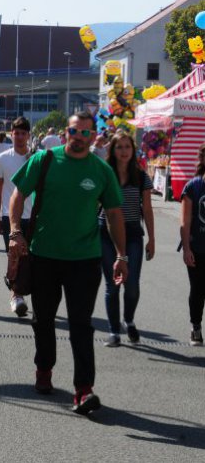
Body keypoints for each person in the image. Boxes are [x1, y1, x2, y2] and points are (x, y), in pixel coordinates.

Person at [9, 112, 127, 415]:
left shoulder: (101, 171)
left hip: (84, 260)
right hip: (44, 255)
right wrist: (15, 232)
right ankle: (44, 369)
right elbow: (18, 194)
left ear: (93, 137)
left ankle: (83, 389)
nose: (80, 137)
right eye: (75, 131)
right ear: (66, 132)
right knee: (43, 320)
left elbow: (114, 214)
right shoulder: (45, 160)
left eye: (86, 134)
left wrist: (121, 256)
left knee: (81, 325)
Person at [101, 133, 155, 347]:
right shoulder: (105, 175)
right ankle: (114, 331)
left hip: (133, 233)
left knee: (131, 284)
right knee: (112, 285)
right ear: (112, 151)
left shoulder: (141, 177)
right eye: (119, 147)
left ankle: (129, 320)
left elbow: (148, 210)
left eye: (127, 147)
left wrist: (152, 239)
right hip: (106, 233)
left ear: (133, 151)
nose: (123, 151)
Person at [0, 117, 33, 317]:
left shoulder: (37, 157)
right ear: (11, 134)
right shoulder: (2, 158)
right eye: (16, 133)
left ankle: (28, 291)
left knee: (33, 258)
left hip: (34, 216)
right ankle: (16, 296)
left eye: (23, 133)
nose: (19, 137)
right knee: (15, 256)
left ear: (28, 135)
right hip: (10, 216)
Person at [178, 142, 205, 347]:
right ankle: (196, 327)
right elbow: (185, 221)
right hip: (197, 247)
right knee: (197, 290)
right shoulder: (193, 186)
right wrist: (186, 248)